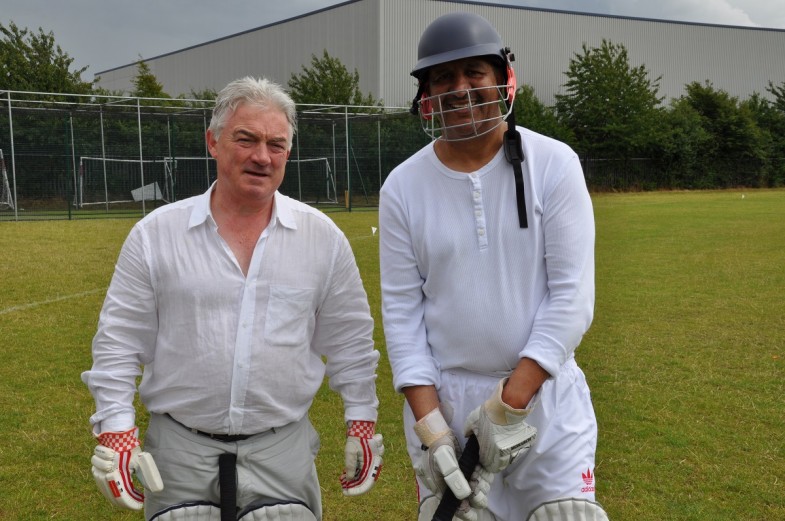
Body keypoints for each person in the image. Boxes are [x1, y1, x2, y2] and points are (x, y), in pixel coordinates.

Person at [82, 76, 383, 521]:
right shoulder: (155, 235)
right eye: (246, 139)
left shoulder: (323, 239)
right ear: (213, 141)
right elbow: (119, 343)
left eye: (276, 144)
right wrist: (115, 429)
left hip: (283, 450)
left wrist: (362, 419)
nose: (262, 156)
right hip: (179, 454)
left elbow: (350, 341)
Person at [379, 12, 608, 521]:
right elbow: (401, 315)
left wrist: (510, 406)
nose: (460, 90)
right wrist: (432, 431)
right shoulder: (402, 187)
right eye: (444, 78)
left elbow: (572, 297)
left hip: (545, 398)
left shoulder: (554, 162)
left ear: (503, 78)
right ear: (427, 95)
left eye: (473, 74)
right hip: (449, 406)